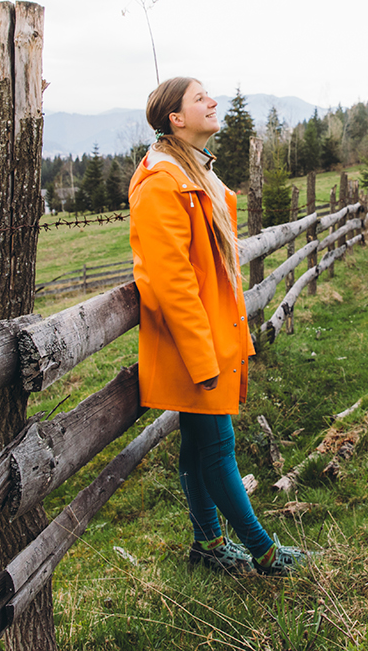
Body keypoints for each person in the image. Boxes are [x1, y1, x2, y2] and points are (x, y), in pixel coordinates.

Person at [128, 76, 311, 576]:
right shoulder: (162, 183)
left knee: (197, 444)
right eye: (199, 98)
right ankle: (265, 553)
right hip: (194, 343)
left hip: (209, 335)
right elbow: (172, 283)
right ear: (176, 119)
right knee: (219, 447)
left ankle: (208, 544)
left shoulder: (193, 171)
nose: (213, 102)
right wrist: (202, 359)